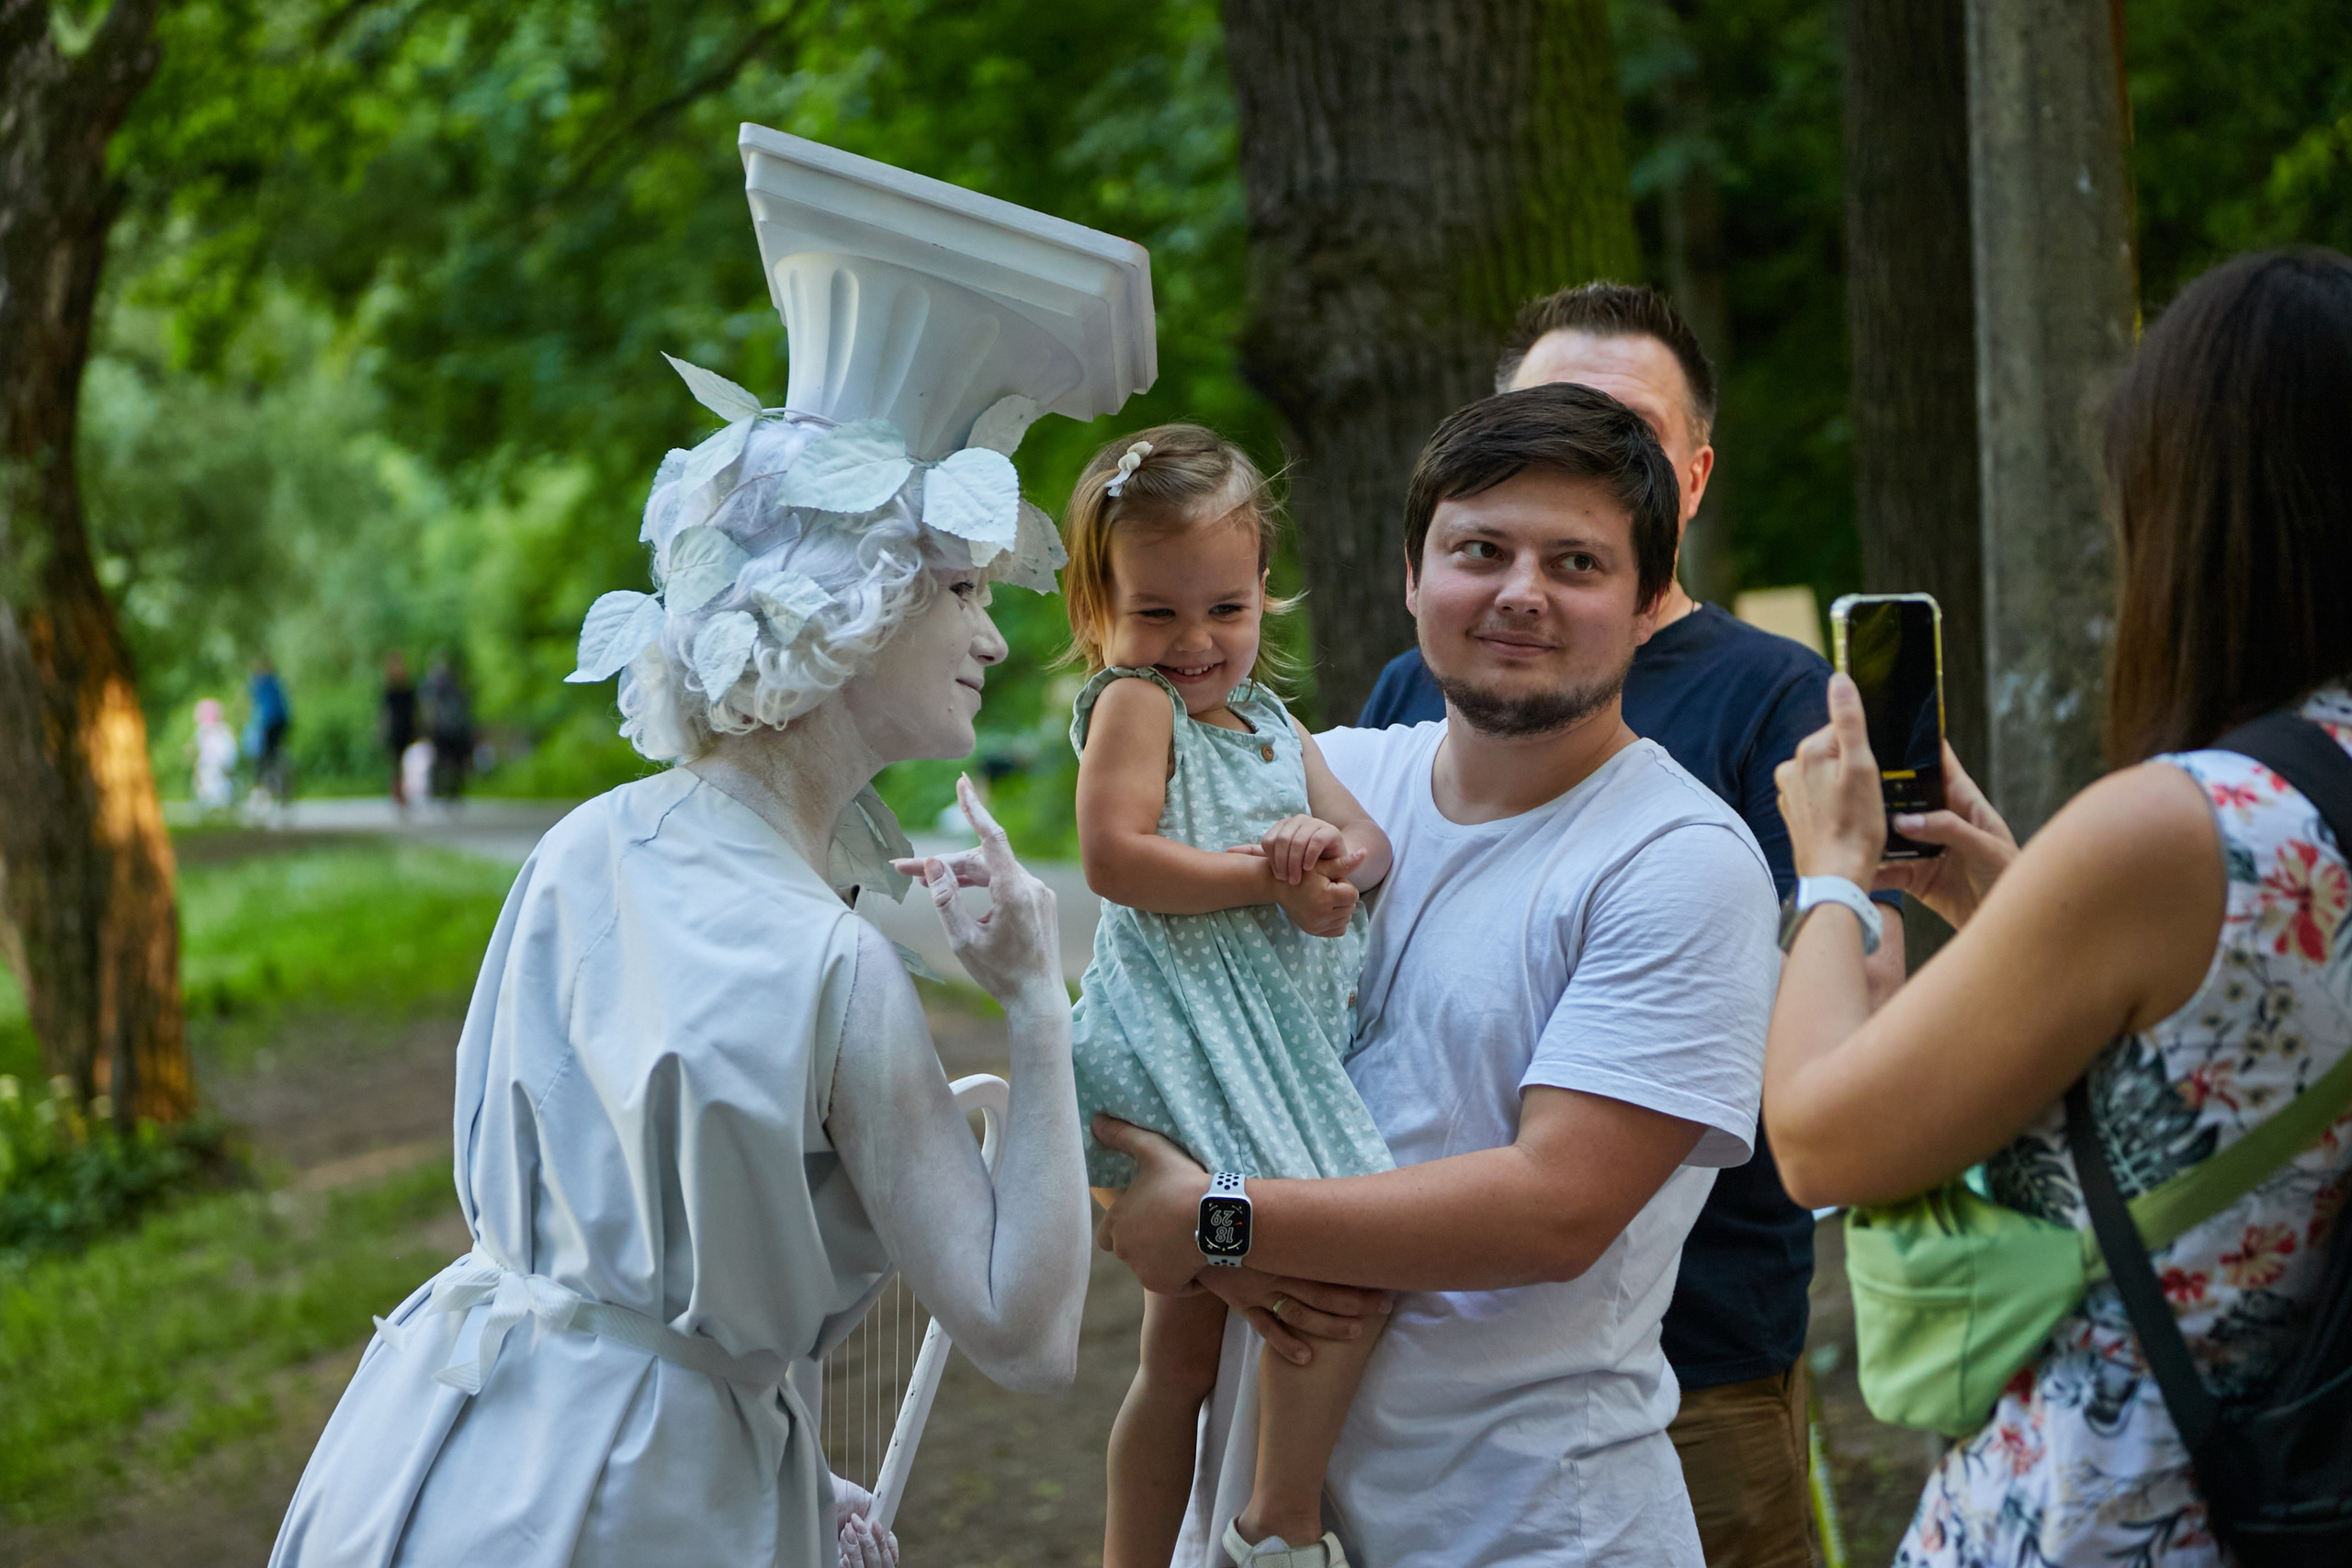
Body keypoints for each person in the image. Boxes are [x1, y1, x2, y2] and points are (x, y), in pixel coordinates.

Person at [272, 386, 1093, 1567]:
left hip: (444, 1458)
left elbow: (604, 1290)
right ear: (846, 605)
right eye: (960, 589)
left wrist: (796, 1468)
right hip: (654, 1514)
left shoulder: (585, 842)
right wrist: (1031, 1007)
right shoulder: (837, 965)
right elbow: (1028, 1334)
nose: (993, 636)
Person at [1095, 382, 1781, 1568]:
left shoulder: (1679, 860)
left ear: (1645, 600)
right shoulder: (1326, 774)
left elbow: (1553, 1206)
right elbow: (1146, 1014)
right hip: (1250, 1535)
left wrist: (1216, 1219)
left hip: (1526, 1527)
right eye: (1481, 549)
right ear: (1415, 574)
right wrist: (1138, 1205)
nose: (1521, 590)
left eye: (1576, 560)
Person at [1766, 248, 2352, 1566]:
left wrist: (1830, 876)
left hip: (2131, 1511)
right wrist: (2010, 892)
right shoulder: (2267, 817)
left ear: (2196, 509)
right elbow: (2239, 1040)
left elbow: (1815, 1137)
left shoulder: (2179, 821)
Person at [1357, 282, 1894, 1564]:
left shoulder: (1776, 702)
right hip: (1383, 1343)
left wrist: (1224, 1213)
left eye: (1625, 432)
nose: (1580, 450)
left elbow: (1830, 1004)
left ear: (1687, 481)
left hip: (1685, 1346)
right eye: (1548, 415)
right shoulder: (1403, 703)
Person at [1061, 426, 1397, 1568]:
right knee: (1341, 1266)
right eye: (1157, 612)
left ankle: (1241, 1528)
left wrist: (1323, 860)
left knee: (1186, 1353)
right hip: (1187, 1040)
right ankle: (1278, 1527)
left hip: (1256, 1039)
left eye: (1225, 611)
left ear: (1264, 593)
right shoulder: (1135, 707)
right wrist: (1268, 875)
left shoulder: (1271, 724)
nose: (1195, 642)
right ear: (1097, 609)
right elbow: (1115, 858)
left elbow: (1372, 843)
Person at [419, 655, 471, 807]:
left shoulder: (439, 687)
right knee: (446, 763)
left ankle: (448, 792)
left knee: (448, 763)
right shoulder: (447, 687)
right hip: (445, 730)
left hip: (448, 730)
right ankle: (446, 792)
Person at [246, 657, 292, 804]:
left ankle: (261, 784)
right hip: (282, 720)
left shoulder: (258, 682)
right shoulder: (275, 681)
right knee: (276, 749)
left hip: (269, 721)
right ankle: (278, 773)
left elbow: (254, 704)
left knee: (264, 754)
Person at [379, 651, 418, 810]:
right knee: (396, 761)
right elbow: (384, 713)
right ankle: (398, 792)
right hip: (397, 728)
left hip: (405, 728)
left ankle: (401, 791)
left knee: (401, 761)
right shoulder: (391, 689)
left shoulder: (405, 688)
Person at [191, 697, 239, 814]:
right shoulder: (225, 729)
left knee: (209, 782)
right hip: (222, 763)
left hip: (212, 763)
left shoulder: (204, 731)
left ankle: (213, 804)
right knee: (219, 782)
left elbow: (204, 750)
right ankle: (219, 804)